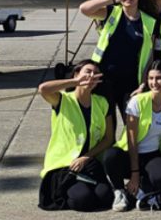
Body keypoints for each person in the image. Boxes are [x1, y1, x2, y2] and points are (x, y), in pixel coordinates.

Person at [102, 60, 161, 210]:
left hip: (152, 155)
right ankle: (119, 191)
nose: (154, 82)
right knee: (110, 156)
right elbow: (132, 140)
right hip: (130, 153)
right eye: (151, 78)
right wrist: (134, 173)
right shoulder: (137, 101)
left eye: (159, 78)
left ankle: (141, 190)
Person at [36, 60, 115, 211]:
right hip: (64, 166)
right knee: (83, 200)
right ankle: (63, 190)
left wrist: (87, 157)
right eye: (87, 72)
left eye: (95, 74)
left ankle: (84, 183)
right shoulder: (63, 100)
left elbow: (108, 138)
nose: (91, 76)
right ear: (77, 74)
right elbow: (43, 89)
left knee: (105, 198)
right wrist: (75, 82)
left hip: (88, 164)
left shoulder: (102, 103)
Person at [79, 0, 155, 121]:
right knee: (105, 127)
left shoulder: (149, 22)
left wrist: (144, 84)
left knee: (133, 125)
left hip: (130, 82)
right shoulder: (111, 12)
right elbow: (84, 9)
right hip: (103, 79)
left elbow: (149, 57)